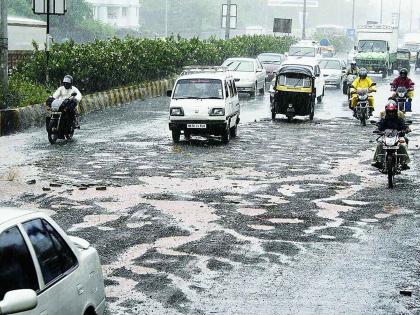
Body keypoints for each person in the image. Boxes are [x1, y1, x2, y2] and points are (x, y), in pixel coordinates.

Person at [372, 101, 411, 170]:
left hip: (398, 135)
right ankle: (378, 161)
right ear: (387, 111)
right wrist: (378, 130)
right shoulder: (384, 119)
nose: (391, 113)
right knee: (380, 145)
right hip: (386, 136)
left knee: (402, 145)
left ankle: (404, 162)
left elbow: (404, 126)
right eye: (389, 112)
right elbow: (380, 127)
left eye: (393, 111)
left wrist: (406, 129)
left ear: (395, 111)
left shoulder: (399, 119)